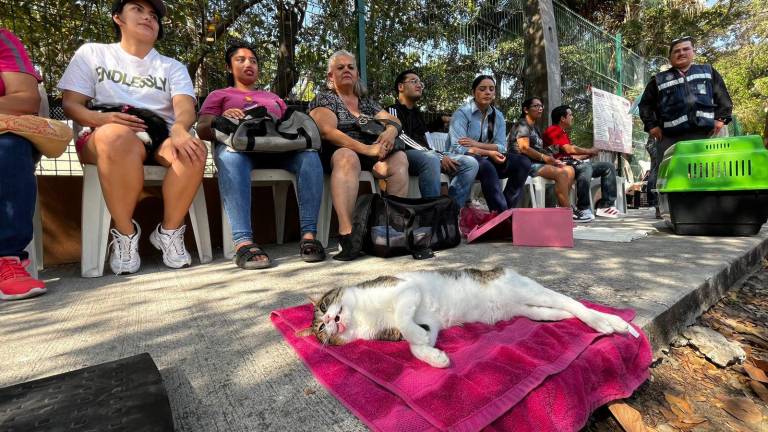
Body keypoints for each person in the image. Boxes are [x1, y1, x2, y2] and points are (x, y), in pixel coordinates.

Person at [58, 0, 207, 275]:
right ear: (118, 18)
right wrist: (101, 120)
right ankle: (125, 234)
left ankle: (169, 231)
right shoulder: (93, 53)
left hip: (158, 135)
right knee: (116, 136)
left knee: (193, 149)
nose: (148, 17)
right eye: (138, 9)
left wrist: (180, 129)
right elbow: (71, 104)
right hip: (104, 134)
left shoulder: (172, 66)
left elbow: (185, 108)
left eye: (153, 15)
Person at [196, 43, 325, 269]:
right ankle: (243, 242)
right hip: (241, 150)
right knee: (230, 157)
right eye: (241, 60)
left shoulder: (272, 97)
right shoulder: (220, 95)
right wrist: (221, 119)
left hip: (277, 150)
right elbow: (202, 128)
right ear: (229, 67)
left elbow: (288, 126)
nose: (249, 64)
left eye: (253, 61)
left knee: (310, 156)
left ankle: (309, 236)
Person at [309, 50, 408, 260]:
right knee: (348, 157)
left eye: (351, 67)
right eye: (340, 67)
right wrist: (367, 149)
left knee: (399, 159)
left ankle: (392, 227)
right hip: (338, 153)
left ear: (356, 74)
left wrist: (390, 131)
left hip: (370, 154)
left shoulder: (366, 102)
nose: (346, 70)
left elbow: (395, 121)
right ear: (330, 76)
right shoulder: (326, 98)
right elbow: (327, 131)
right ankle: (348, 233)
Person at [639, 36, 732, 213]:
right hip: (670, 136)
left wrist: (721, 118)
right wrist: (652, 126)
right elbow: (645, 105)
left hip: (705, 134)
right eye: (676, 51)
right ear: (670, 57)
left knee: (707, 171)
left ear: (693, 52)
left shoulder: (708, 72)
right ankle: (666, 211)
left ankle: (707, 210)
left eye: (685, 49)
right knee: (668, 173)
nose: (681, 53)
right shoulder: (659, 79)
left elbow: (723, 96)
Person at [0, 29, 47, 300]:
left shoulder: (2, 40)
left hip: (4, 134)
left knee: (10, 146)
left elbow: (27, 100)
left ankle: (7, 258)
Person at [387, 70, 479, 206]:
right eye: (414, 81)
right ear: (401, 87)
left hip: (431, 155)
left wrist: (442, 120)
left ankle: (452, 209)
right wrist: (438, 155)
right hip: (406, 156)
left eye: (420, 83)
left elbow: (424, 133)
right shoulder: (392, 110)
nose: (419, 85)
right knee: (431, 159)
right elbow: (402, 136)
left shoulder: (416, 113)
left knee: (470, 163)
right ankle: (432, 212)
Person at [448, 75, 531, 212]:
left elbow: (501, 146)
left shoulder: (498, 116)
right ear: (473, 92)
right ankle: (501, 213)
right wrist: (489, 152)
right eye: (482, 89)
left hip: (487, 158)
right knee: (487, 166)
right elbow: (459, 148)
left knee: (523, 163)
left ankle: (504, 212)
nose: (487, 92)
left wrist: (476, 144)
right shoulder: (462, 114)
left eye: (491, 89)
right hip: (463, 160)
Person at [544, 105, 621, 220]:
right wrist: (589, 150)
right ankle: (583, 208)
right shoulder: (554, 130)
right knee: (585, 167)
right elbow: (568, 149)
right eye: (570, 115)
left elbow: (570, 155)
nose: (572, 117)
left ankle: (605, 206)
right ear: (562, 118)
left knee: (608, 167)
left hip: (571, 163)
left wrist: (589, 154)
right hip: (561, 165)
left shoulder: (562, 132)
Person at [510, 97, 574, 210]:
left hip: (537, 162)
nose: (540, 108)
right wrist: (544, 158)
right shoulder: (522, 124)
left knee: (569, 170)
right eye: (536, 106)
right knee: (561, 174)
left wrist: (553, 159)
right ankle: (567, 212)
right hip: (524, 164)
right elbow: (524, 148)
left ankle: (557, 206)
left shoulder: (535, 128)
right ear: (526, 110)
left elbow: (539, 149)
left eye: (541, 106)